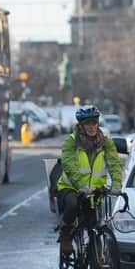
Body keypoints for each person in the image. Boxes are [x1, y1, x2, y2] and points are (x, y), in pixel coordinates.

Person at [56, 106, 122, 254]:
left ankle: (95, 261)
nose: (92, 127)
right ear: (81, 125)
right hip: (71, 188)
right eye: (88, 124)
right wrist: (81, 185)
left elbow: (114, 164)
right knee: (72, 206)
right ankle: (65, 235)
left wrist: (117, 184)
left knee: (95, 224)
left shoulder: (106, 142)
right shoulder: (71, 142)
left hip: (95, 191)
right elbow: (69, 165)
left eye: (94, 123)